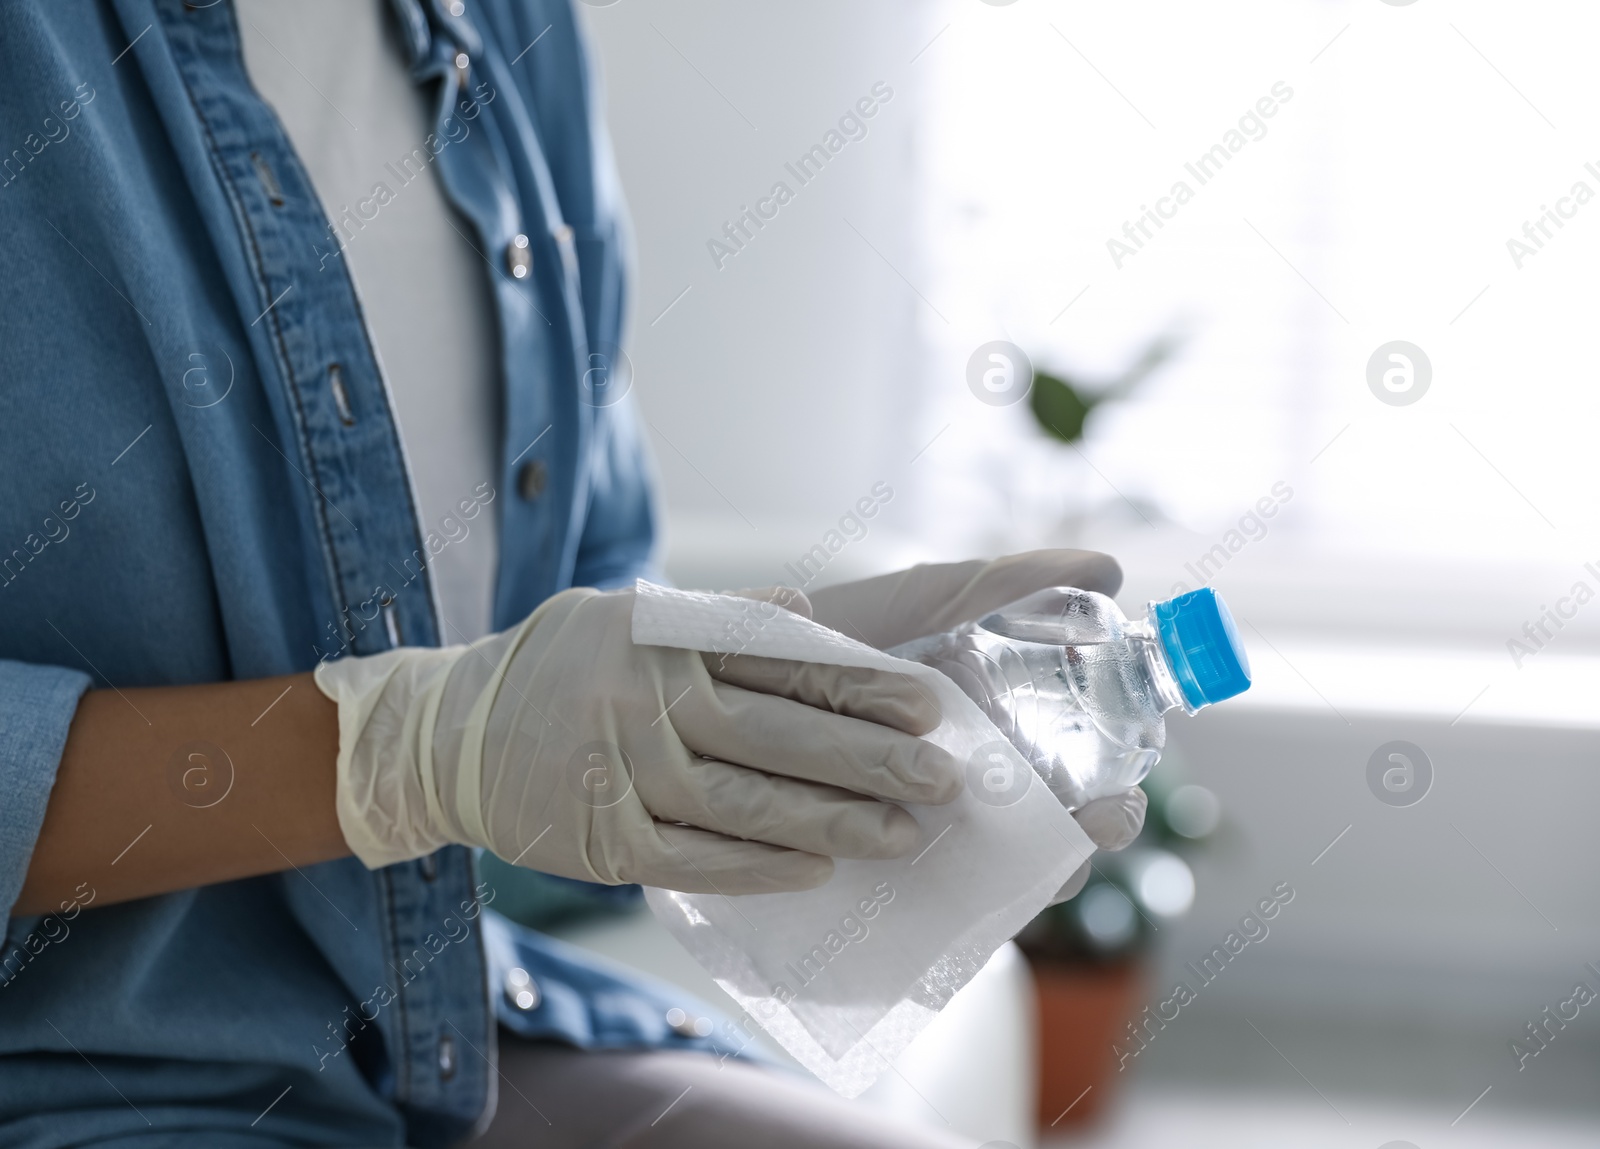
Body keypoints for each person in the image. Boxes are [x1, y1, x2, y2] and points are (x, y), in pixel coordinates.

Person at [0, 2, 1143, 1145]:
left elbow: (577, 592)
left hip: (422, 1030)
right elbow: (472, 738)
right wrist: (412, 749)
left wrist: (781, 728)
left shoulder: (504, 30)